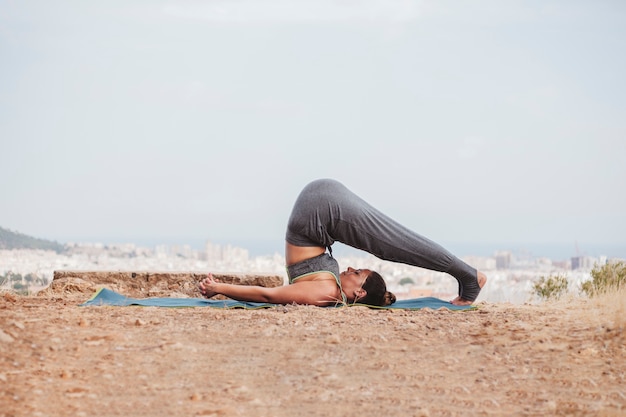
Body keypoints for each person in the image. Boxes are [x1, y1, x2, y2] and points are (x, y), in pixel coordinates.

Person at [199, 179, 486, 307]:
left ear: (359, 293)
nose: (350, 268)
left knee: (395, 243)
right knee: (393, 243)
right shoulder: (330, 290)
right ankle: (467, 276)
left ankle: (468, 276)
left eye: (358, 273)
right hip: (323, 209)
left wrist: (218, 288)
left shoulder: (326, 293)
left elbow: (268, 296)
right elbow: (269, 296)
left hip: (323, 209)